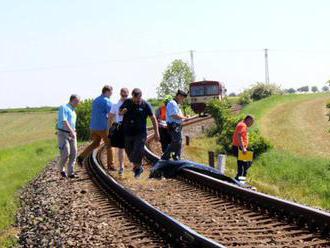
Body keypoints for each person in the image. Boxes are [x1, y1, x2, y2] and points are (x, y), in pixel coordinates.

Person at [120, 88, 160, 178]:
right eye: (135, 99)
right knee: (129, 151)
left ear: (141, 96)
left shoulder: (145, 105)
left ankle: (138, 169)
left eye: (139, 99)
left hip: (141, 133)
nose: (137, 101)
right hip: (128, 132)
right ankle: (137, 166)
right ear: (132, 96)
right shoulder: (127, 102)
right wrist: (122, 112)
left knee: (138, 149)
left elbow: (153, 118)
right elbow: (120, 112)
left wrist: (156, 132)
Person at [78, 85, 115, 170]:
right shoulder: (107, 101)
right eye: (111, 92)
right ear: (108, 91)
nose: (112, 94)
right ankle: (111, 166)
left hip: (93, 127)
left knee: (96, 143)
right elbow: (111, 115)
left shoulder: (96, 100)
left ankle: (81, 157)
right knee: (109, 145)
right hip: (103, 127)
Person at [57, 94, 80, 178]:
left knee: (74, 153)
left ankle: (71, 173)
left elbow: (72, 123)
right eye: (77, 101)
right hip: (63, 133)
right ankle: (61, 168)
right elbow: (64, 121)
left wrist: (74, 131)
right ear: (72, 100)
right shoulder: (63, 107)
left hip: (72, 133)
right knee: (66, 153)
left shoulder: (74, 111)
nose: (78, 103)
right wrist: (71, 131)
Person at [161, 90, 188, 161]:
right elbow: (174, 116)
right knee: (176, 141)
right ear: (179, 96)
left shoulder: (176, 104)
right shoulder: (172, 103)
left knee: (179, 141)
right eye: (182, 98)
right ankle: (165, 156)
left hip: (177, 126)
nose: (183, 100)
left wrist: (184, 117)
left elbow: (178, 116)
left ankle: (176, 156)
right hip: (173, 126)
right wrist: (185, 117)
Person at [109, 87, 129, 175]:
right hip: (120, 127)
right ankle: (121, 167)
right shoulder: (115, 105)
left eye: (126, 94)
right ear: (120, 94)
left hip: (130, 127)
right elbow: (110, 117)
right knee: (121, 148)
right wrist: (111, 128)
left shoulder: (131, 104)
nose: (124, 96)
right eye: (123, 94)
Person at [232, 115, 255, 184]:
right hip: (240, 148)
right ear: (248, 120)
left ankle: (239, 178)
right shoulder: (243, 125)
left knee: (243, 164)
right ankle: (241, 181)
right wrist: (243, 148)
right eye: (252, 122)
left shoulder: (241, 124)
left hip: (239, 147)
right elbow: (239, 135)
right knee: (245, 165)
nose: (251, 124)